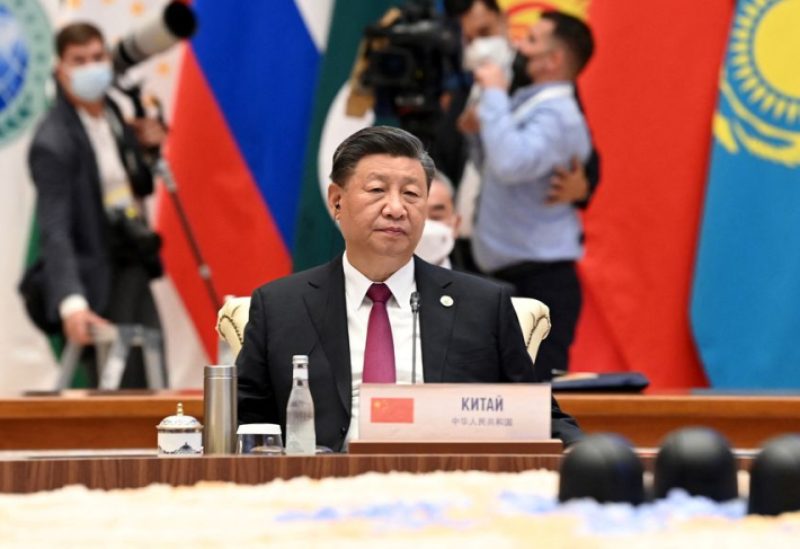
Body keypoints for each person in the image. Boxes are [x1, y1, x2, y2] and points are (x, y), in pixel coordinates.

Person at [237, 126, 583, 451]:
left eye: (412, 194)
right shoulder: (281, 306)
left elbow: (539, 420)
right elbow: (243, 423)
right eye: (376, 190)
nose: (396, 208)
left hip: (450, 492)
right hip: (317, 493)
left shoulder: (483, 305)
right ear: (336, 200)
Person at [21, 22, 166, 388]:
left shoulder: (114, 113)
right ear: (60, 70)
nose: (91, 67)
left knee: (152, 379)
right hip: (94, 283)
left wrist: (149, 148)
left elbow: (135, 182)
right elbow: (54, 229)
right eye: (79, 60)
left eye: (98, 57)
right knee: (118, 392)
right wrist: (72, 304)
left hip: (131, 260)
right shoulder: (53, 141)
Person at [468, 11, 594, 379]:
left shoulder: (559, 114)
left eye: (533, 40)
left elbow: (510, 163)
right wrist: (477, 131)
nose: (520, 46)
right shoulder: (530, 101)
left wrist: (492, 92)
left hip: (541, 281)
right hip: (506, 274)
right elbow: (494, 168)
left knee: (536, 402)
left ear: (553, 60)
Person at [415, 170, 461, 268]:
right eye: (415, 217)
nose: (426, 227)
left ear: (456, 224)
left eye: (436, 217)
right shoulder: (378, 283)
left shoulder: (479, 284)